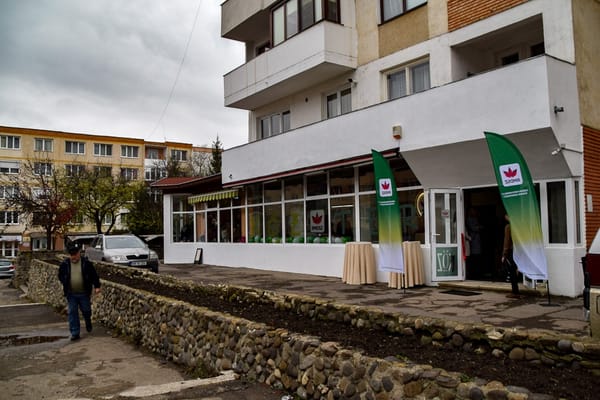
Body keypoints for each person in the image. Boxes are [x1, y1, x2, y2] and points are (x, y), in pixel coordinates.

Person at [58, 243, 101, 340]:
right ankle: (75, 332)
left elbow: (94, 275)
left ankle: (87, 320)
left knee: (86, 310)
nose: (73, 257)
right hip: (71, 293)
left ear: (79, 254)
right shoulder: (65, 264)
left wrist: (97, 286)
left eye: (75, 255)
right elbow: (60, 275)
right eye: (71, 255)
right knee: (72, 312)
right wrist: (65, 281)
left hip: (84, 292)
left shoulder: (86, 263)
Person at [501, 214, 521, 298]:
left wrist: (504, 254)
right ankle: (515, 291)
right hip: (519, 250)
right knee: (515, 270)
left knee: (512, 271)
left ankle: (515, 292)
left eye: (506, 215)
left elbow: (507, 241)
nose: (505, 216)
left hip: (511, 251)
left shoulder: (508, 227)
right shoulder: (519, 226)